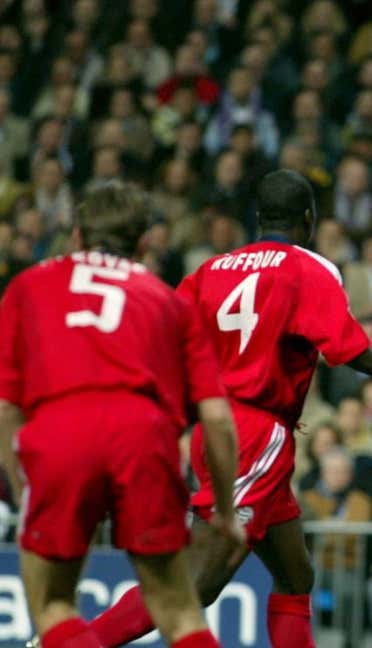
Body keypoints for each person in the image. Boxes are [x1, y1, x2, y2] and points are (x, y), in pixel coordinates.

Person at [88, 170, 372, 648]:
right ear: (309, 218)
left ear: (257, 218)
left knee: (295, 578)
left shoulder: (210, 270)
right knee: (196, 585)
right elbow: (345, 349)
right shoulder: (309, 269)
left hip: (215, 425)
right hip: (255, 433)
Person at [0, 181, 242, 648]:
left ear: (76, 237)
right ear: (144, 244)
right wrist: (227, 513)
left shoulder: (28, 285)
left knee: (52, 604)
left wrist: (22, 482)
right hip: (143, 435)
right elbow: (216, 417)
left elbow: (6, 406)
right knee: (179, 611)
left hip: (61, 429)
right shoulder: (169, 301)